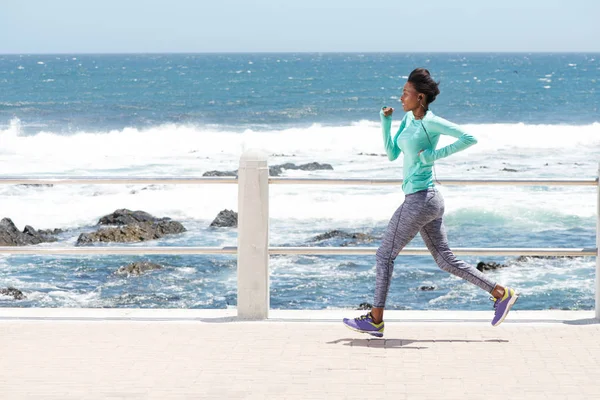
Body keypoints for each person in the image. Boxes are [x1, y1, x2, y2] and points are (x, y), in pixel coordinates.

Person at [343, 68, 518, 338]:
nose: (401, 97)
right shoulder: (406, 120)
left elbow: (468, 138)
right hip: (425, 199)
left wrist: (432, 156)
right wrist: (385, 122)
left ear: (420, 97)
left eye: (406, 93)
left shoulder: (431, 122)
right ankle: (501, 293)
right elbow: (391, 154)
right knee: (445, 260)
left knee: (383, 255)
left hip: (422, 199)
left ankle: (375, 318)